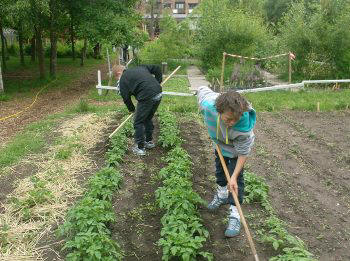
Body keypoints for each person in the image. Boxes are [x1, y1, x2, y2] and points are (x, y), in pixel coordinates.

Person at [197, 86, 256, 237]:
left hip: (236, 150)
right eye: (228, 119)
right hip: (219, 144)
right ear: (219, 111)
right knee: (219, 171)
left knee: (235, 181)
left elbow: (243, 153)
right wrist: (198, 91)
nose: (232, 123)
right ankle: (222, 194)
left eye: (235, 119)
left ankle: (235, 215)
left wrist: (234, 177)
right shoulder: (208, 105)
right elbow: (202, 90)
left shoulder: (243, 128)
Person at [113, 64, 163, 156]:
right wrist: (158, 82)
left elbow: (126, 98)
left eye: (116, 77)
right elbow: (156, 68)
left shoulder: (123, 79)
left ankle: (140, 148)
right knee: (147, 118)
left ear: (119, 73)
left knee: (138, 122)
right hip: (158, 93)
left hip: (146, 95)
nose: (117, 80)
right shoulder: (140, 67)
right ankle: (149, 142)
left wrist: (132, 110)